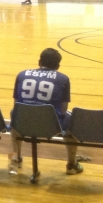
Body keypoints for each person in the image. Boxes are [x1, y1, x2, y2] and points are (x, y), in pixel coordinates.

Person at [9, 48, 84, 176]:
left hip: (22, 124)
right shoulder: (63, 79)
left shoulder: (21, 74)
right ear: (58, 66)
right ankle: (72, 165)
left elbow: (16, 104)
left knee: (15, 114)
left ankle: (16, 159)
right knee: (72, 119)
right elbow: (63, 110)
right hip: (49, 127)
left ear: (39, 62)